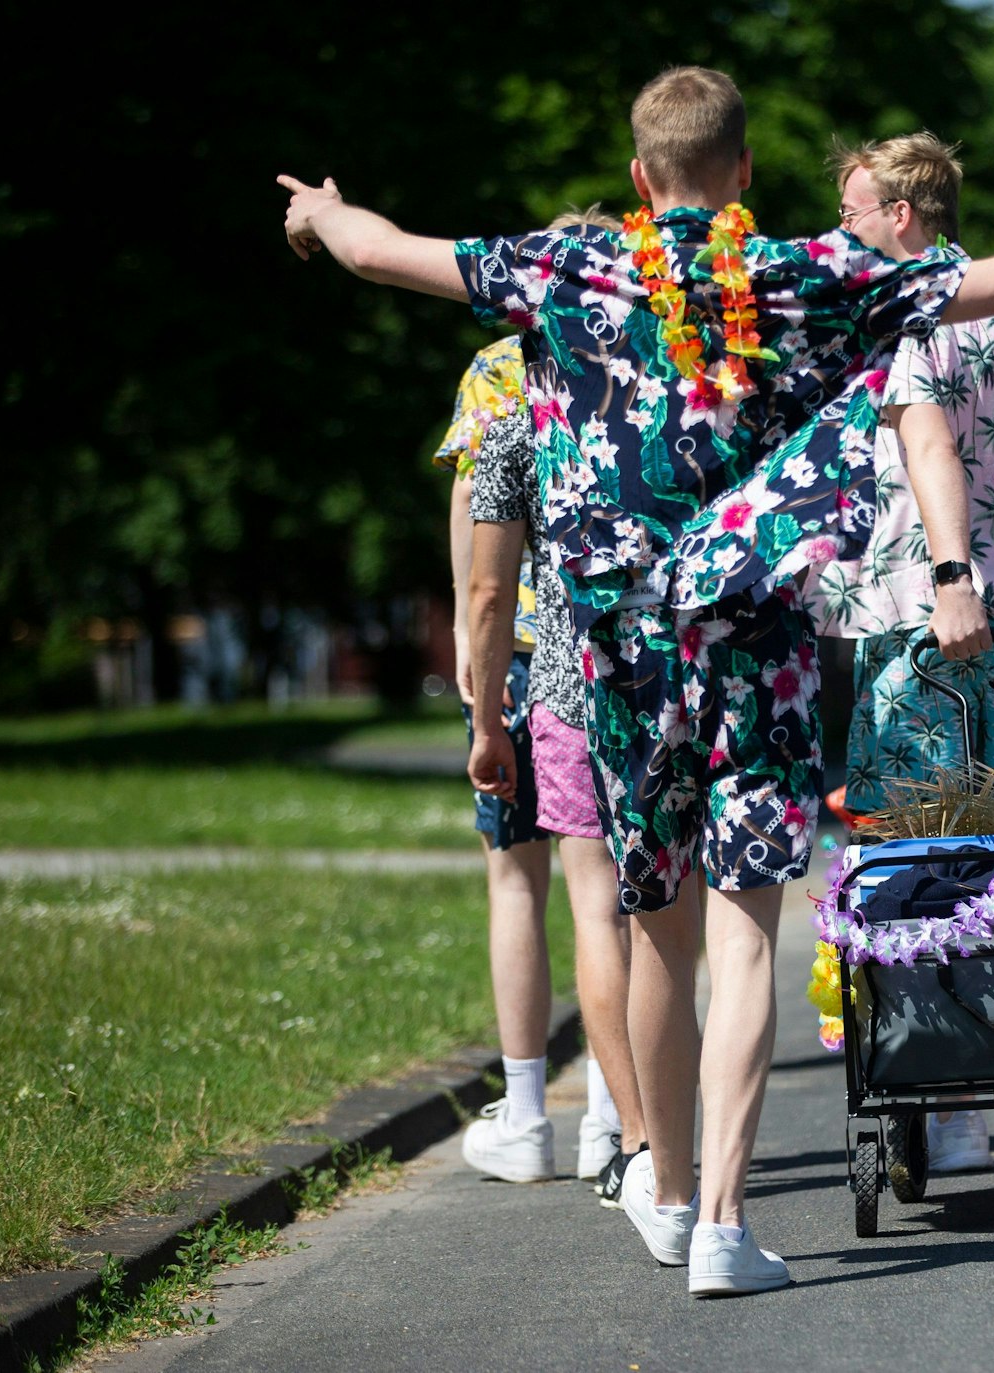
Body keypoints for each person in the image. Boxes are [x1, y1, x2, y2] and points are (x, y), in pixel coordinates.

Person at [279, 64, 994, 1296]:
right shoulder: (798, 274)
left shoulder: (565, 269)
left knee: (650, 928)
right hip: (748, 639)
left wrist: (322, 215)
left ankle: (661, 1192)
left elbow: (388, 252)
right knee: (744, 931)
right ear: (746, 174)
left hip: (608, 652)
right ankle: (719, 1222)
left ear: (640, 176)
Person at [806, 132, 994, 1174]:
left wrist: (949, 565)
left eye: (849, 213)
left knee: (913, 845)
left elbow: (924, 443)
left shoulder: (892, 313)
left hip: (916, 604)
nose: (838, 232)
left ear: (900, 216)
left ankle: (938, 1092)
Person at [462, 209, 652, 1209]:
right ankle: (632, 1129)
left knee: (564, 899)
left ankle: (582, 1124)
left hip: (560, 680)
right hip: (673, 679)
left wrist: (480, 690)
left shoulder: (505, 399)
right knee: (666, 913)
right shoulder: (673, 384)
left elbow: (485, 583)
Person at [437, 336, 561, 1183]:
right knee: (617, 891)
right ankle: (625, 1125)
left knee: (516, 877)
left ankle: (525, 1115)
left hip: (513, 647)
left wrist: (463, 636)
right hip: (610, 648)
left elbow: (470, 506)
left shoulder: (499, 365)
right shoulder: (648, 341)